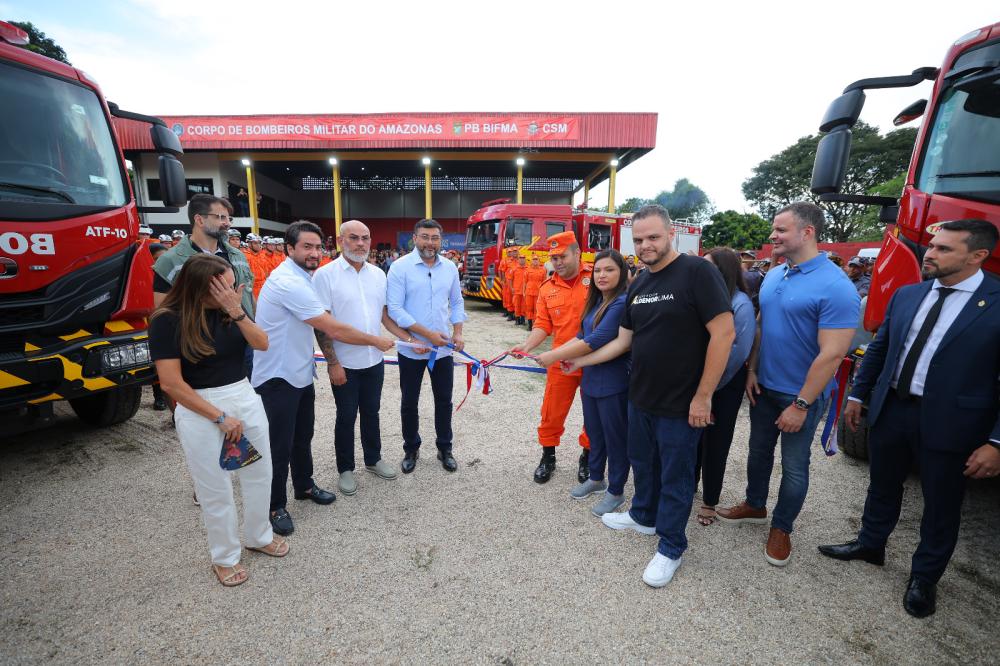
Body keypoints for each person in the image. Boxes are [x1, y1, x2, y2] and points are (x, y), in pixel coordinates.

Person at [819, 219, 1000, 618]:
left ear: (978, 255)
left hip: (953, 424)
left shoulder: (995, 301)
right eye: (932, 246)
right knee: (882, 484)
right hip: (893, 409)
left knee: (941, 503)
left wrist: (996, 442)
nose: (930, 253)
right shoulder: (908, 294)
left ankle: (924, 577)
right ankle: (871, 544)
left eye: (944, 249)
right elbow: (880, 349)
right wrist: (858, 395)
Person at [565, 204, 735, 588]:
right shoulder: (639, 283)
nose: (645, 245)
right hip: (639, 396)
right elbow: (623, 341)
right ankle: (643, 515)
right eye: (638, 239)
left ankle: (672, 546)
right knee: (643, 462)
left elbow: (724, 334)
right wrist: (582, 362)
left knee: (675, 476)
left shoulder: (697, 272)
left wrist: (704, 396)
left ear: (671, 234)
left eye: (653, 237)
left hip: (682, 402)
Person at [717, 202, 859, 567]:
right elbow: (761, 325)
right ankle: (755, 505)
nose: (772, 235)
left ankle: (782, 528)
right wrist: (752, 370)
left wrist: (801, 404)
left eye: (780, 230)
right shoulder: (776, 274)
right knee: (758, 453)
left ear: (807, 232)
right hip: (764, 387)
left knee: (794, 466)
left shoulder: (837, 286)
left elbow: (832, 354)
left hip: (801, 397)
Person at [149, 254, 286, 588]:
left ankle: (258, 536)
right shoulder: (167, 320)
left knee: (260, 473)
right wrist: (220, 417)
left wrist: (237, 311)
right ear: (200, 286)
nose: (231, 291)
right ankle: (225, 557)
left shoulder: (231, 310)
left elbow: (262, 343)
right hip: (200, 404)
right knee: (215, 486)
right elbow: (171, 383)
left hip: (243, 393)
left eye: (231, 284)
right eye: (223, 285)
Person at [253, 221, 395, 536]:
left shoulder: (305, 278)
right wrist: (374, 341)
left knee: (302, 436)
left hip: (299, 372)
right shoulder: (289, 282)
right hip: (278, 376)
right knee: (279, 445)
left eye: (318, 247)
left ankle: (304, 486)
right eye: (307, 247)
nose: (314, 253)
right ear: (289, 248)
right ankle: (274, 506)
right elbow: (331, 328)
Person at [313, 220, 415, 496]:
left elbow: (384, 316)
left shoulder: (378, 275)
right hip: (344, 363)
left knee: (372, 412)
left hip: (373, 361)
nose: (360, 243)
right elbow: (322, 325)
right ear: (340, 241)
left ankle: (373, 458)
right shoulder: (325, 275)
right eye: (353, 238)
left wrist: (409, 340)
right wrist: (333, 363)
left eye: (365, 238)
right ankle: (345, 468)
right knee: (346, 416)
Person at [535, 249, 631, 516]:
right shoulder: (597, 301)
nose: (602, 275)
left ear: (622, 273)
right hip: (591, 380)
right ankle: (596, 477)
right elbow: (580, 335)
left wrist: (554, 356)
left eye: (609, 270)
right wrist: (558, 354)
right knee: (595, 434)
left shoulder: (620, 303)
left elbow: (596, 340)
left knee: (615, 438)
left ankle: (616, 491)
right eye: (598, 270)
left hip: (612, 382)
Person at [510, 231, 592, 485]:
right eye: (553, 258)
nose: (557, 262)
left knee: (594, 414)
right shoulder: (547, 288)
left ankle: (588, 458)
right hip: (561, 363)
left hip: (594, 361)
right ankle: (548, 457)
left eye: (562, 256)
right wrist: (527, 345)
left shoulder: (596, 279)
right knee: (551, 413)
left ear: (577, 253)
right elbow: (543, 325)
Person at [387, 218, 467, 474]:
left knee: (444, 400)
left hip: (442, 350)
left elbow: (456, 302)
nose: (430, 243)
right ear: (414, 238)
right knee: (409, 402)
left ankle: (445, 448)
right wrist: (421, 337)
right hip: (412, 350)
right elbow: (395, 309)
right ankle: (411, 448)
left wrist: (458, 332)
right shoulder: (400, 267)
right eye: (424, 237)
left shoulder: (450, 268)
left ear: (440, 240)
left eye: (435, 238)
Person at [693, 248, 756, 526]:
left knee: (716, 443)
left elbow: (736, 353)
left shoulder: (740, 304)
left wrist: (709, 389)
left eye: (709, 267)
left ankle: (709, 501)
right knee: (693, 438)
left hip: (725, 384)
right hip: (698, 381)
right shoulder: (701, 296)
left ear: (725, 271)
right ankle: (690, 484)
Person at [523, 253, 546, 331]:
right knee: (529, 308)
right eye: (534, 260)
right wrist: (523, 291)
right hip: (529, 292)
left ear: (539, 261)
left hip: (538, 293)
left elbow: (544, 282)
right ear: (531, 261)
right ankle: (530, 325)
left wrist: (543, 293)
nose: (535, 261)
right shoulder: (527, 270)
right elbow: (525, 282)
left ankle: (536, 325)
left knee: (537, 309)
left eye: (536, 260)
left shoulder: (543, 270)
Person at [503, 247, 520, 322]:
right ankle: (510, 314)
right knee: (509, 298)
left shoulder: (521, 261)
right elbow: (503, 271)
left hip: (518, 283)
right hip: (509, 283)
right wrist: (503, 280)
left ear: (518, 252)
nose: (514, 253)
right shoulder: (507, 261)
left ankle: (517, 315)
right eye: (513, 252)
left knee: (517, 300)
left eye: (516, 251)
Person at [512, 252, 528, 326]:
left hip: (525, 291)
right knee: (517, 305)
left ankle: (523, 319)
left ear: (525, 260)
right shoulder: (514, 269)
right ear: (518, 260)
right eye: (520, 258)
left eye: (523, 258)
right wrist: (512, 288)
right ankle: (517, 319)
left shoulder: (528, 269)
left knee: (524, 306)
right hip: (517, 290)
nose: (522, 260)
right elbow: (510, 279)